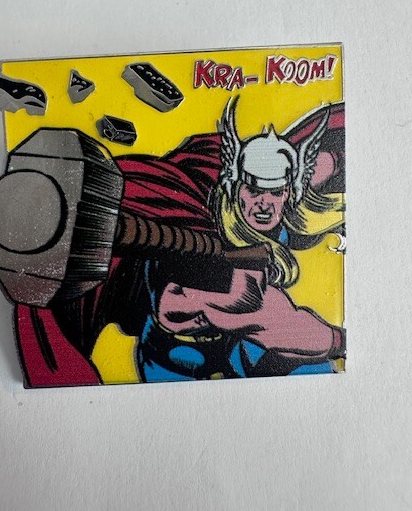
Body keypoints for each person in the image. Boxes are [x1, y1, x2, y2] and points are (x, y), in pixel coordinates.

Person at [136, 97, 345, 381]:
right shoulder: (205, 232)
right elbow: (283, 324)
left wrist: (341, 159)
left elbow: (322, 166)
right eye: (253, 191)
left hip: (233, 347)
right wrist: (343, 342)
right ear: (235, 187)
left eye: (276, 192)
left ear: (289, 191)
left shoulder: (276, 213)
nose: (264, 204)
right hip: (178, 363)